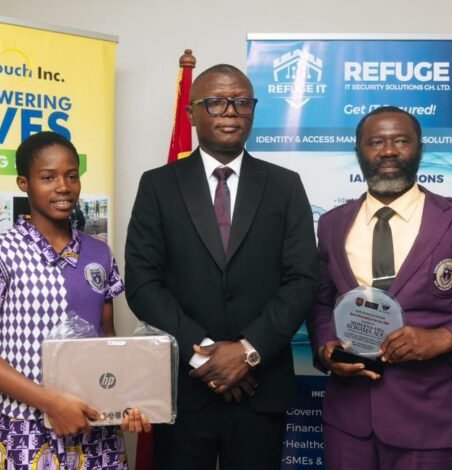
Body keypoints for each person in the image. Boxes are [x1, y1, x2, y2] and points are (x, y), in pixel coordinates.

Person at [125, 64, 319, 469]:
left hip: (260, 389)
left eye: (241, 102)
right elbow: (143, 283)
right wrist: (207, 356)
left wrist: (248, 352)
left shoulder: (285, 185)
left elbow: (302, 280)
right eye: (215, 102)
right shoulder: (158, 185)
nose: (230, 111)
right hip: (185, 388)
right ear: (192, 113)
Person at [307, 106, 452, 470]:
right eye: (376, 142)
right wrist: (327, 347)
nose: (388, 151)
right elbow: (320, 301)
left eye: (400, 141)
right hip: (348, 417)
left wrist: (443, 338)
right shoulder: (330, 224)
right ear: (359, 151)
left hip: (429, 417)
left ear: (419, 148)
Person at [0, 131, 150, 470]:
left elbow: (107, 341)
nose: (63, 186)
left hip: (94, 431)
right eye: (48, 177)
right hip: (25, 431)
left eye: (71, 175)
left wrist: (122, 403)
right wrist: (50, 402)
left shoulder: (98, 252)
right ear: (23, 183)